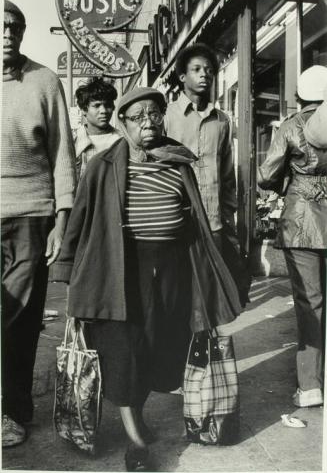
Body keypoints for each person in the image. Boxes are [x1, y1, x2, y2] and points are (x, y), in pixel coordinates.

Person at [51, 87, 241, 471]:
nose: (148, 123)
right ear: (122, 124)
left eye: (154, 114)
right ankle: (135, 440)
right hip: (120, 269)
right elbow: (80, 222)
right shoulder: (101, 166)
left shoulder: (179, 163)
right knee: (124, 349)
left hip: (171, 267)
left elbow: (197, 221)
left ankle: (136, 414)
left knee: (160, 345)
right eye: (137, 117)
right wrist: (68, 270)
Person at [1, 0, 76, 447]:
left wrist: (60, 221)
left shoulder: (45, 82)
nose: (7, 33)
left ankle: (12, 411)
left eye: (14, 25)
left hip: (31, 215)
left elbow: (63, 157)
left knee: (20, 319)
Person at [258, 65, 327, 408]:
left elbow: (268, 174)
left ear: (299, 97)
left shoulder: (290, 127)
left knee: (309, 303)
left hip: (301, 222)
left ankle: (311, 385)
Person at [165, 43, 249, 309]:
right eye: (197, 69)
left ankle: (205, 346)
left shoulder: (222, 121)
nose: (205, 75)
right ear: (182, 77)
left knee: (210, 291)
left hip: (213, 220)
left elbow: (226, 173)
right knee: (177, 288)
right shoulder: (166, 117)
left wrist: (228, 214)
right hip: (176, 217)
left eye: (209, 70)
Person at [74, 77, 121, 179]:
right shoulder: (73, 141)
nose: (103, 111)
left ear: (113, 107)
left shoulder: (122, 140)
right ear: (84, 109)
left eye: (107, 105)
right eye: (97, 105)